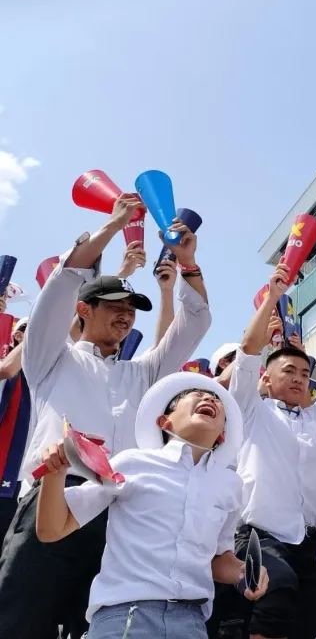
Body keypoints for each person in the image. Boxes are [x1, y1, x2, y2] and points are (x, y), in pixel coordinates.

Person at [0, 198, 211, 639]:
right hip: (54, 497)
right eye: (115, 304)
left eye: (132, 308)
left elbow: (195, 322)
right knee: (18, 622)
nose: (126, 314)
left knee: (97, 628)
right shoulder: (48, 357)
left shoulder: (146, 372)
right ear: (84, 310)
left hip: (119, 516)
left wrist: (188, 264)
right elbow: (63, 285)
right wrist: (115, 225)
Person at [34, 372, 268, 638]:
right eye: (196, 394)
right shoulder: (132, 462)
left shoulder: (230, 486)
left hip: (192, 623)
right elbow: (52, 529)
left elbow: (217, 558)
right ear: (164, 421)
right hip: (125, 615)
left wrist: (244, 572)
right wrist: (56, 472)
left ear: (222, 436)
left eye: (217, 400)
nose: (209, 398)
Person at [228, 263, 316, 639]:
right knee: (276, 588)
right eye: (289, 371)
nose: (299, 379)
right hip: (263, 535)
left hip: (315, 540)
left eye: (305, 374)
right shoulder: (251, 410)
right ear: (266, 378)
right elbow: (248, 353)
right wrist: (271, 297)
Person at [0, 317, 28, 547]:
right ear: (18, 335)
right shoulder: (7, 378)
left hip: (22, 485)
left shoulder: (46, 379)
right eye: (30, 331)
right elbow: (6, 369)